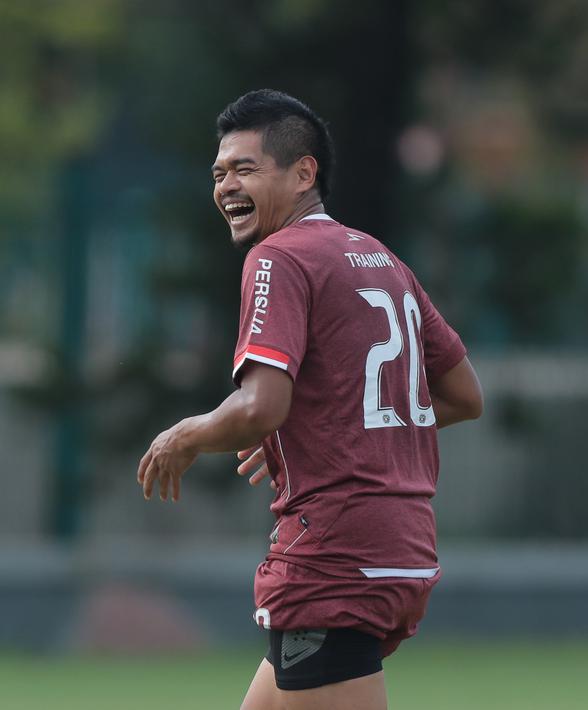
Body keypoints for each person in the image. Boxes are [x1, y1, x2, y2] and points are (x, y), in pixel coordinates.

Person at [136, 89, 483, 710]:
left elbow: (260, 406)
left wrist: (183, 434)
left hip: (336, 555)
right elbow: (463, 394)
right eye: (219, 173)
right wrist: (328, 428)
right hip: (398, 543)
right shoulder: (381, 258)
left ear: (303, 173)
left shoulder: (277, 257)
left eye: (245, 169)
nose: (226, 187)